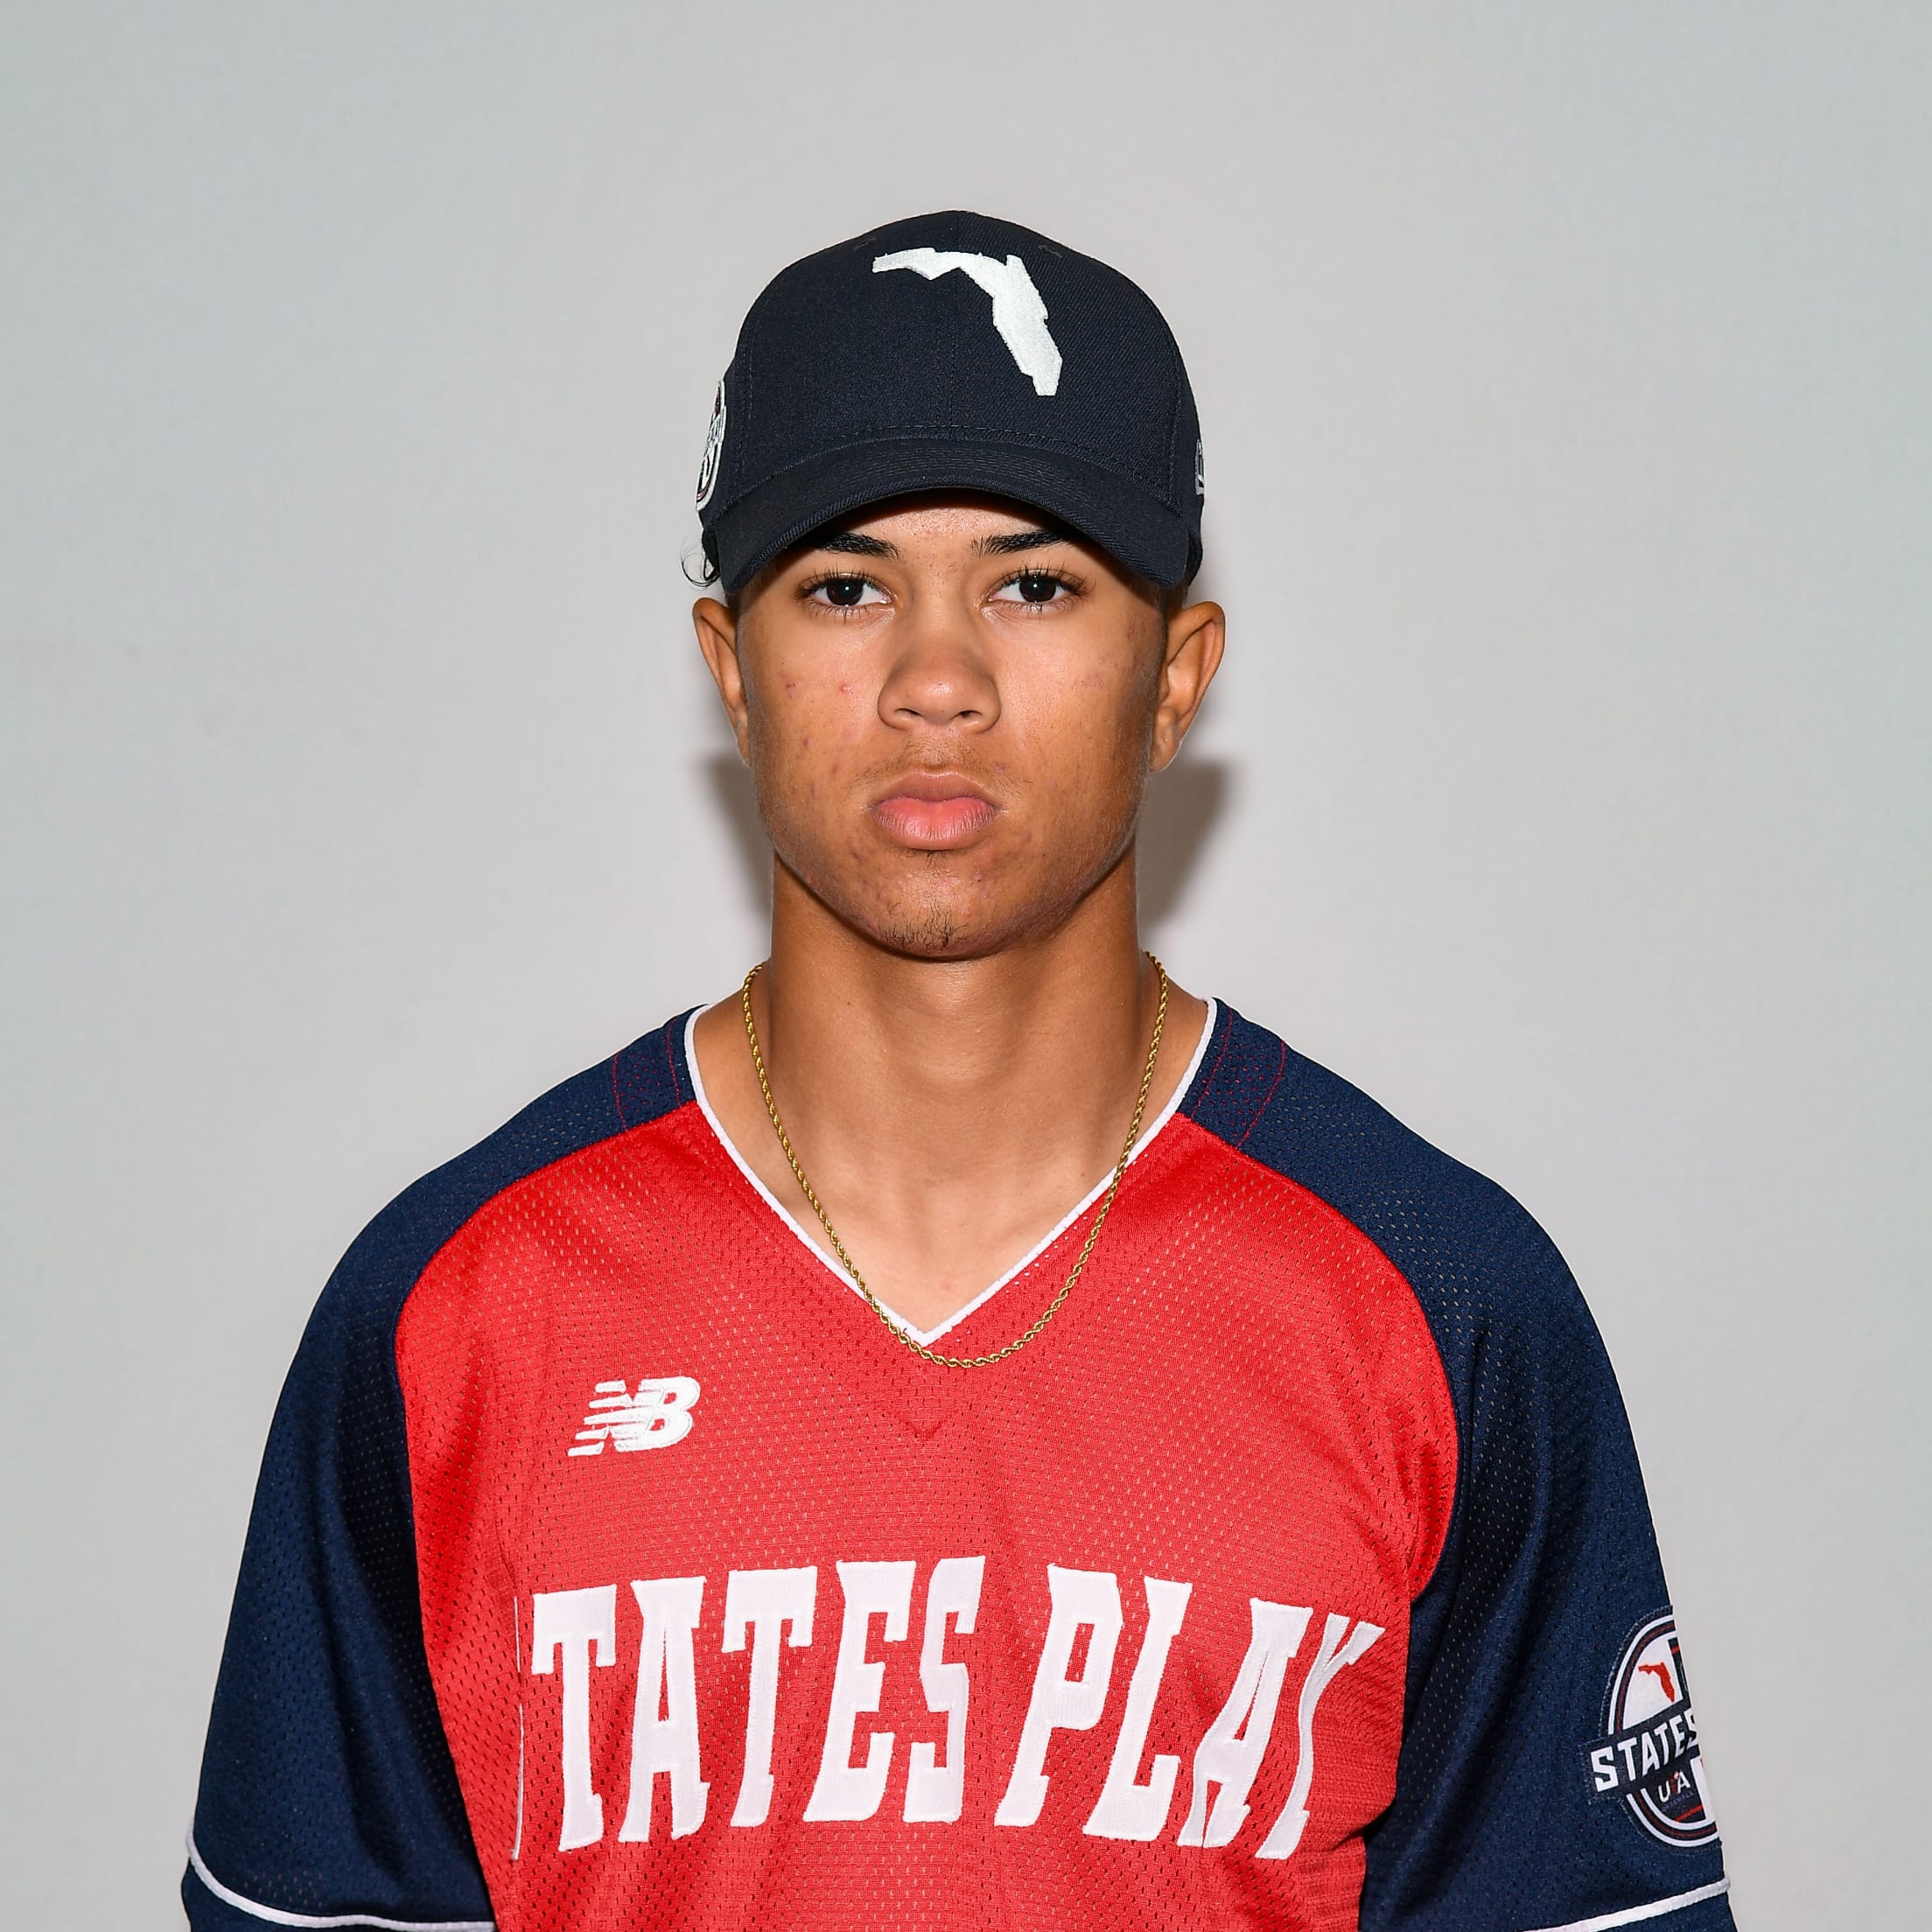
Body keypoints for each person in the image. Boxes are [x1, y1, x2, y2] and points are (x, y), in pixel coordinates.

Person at [184, 211, 1735, 1932]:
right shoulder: (457, 1311)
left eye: (1035, 584)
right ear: (733, 674)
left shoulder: (1438, 1308)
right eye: (846, 588)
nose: (937, 682)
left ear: (1176, 679)